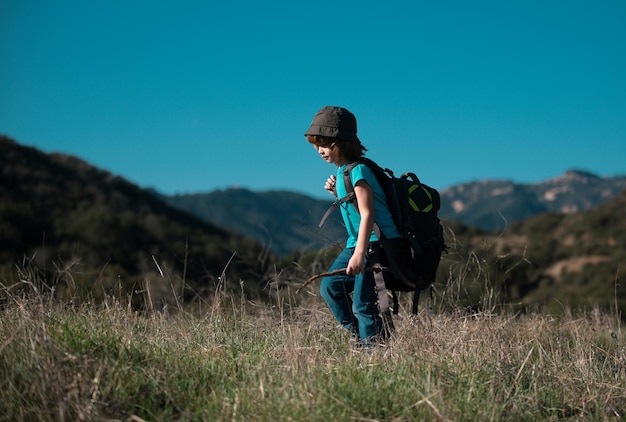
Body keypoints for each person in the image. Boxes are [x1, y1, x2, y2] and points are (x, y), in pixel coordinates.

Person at [304, 106, 400, 347]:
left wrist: (359, 254)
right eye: (316, 145)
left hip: (375, 244)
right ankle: (366, 337)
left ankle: (373, 354)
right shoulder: (345, 173)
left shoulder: (359, 171)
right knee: (330, 287)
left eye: (324, 144)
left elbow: (368, 214)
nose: (319, 151)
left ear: (340, 142)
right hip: (357, 243)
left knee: (362, 304)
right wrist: (335, 191)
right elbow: (355, 208)